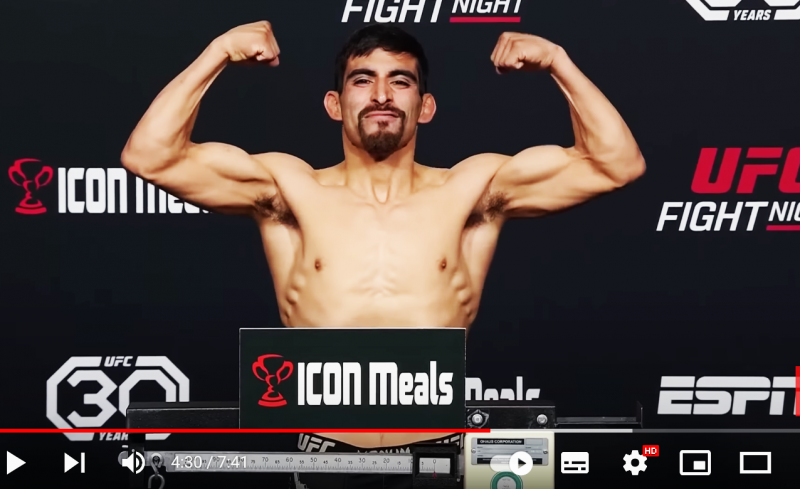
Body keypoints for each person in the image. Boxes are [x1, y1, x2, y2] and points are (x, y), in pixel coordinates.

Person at [120, 21, 645, 488]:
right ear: (334, 104)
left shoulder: (471, 189)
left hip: (442, 450)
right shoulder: (289, 190)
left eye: (400, 81)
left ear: (425, 106)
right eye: (362, 79)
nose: (381, 95)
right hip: (325, 453)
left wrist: (557, 61)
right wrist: (218, 51)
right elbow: (149, 155)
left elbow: (616, 164)